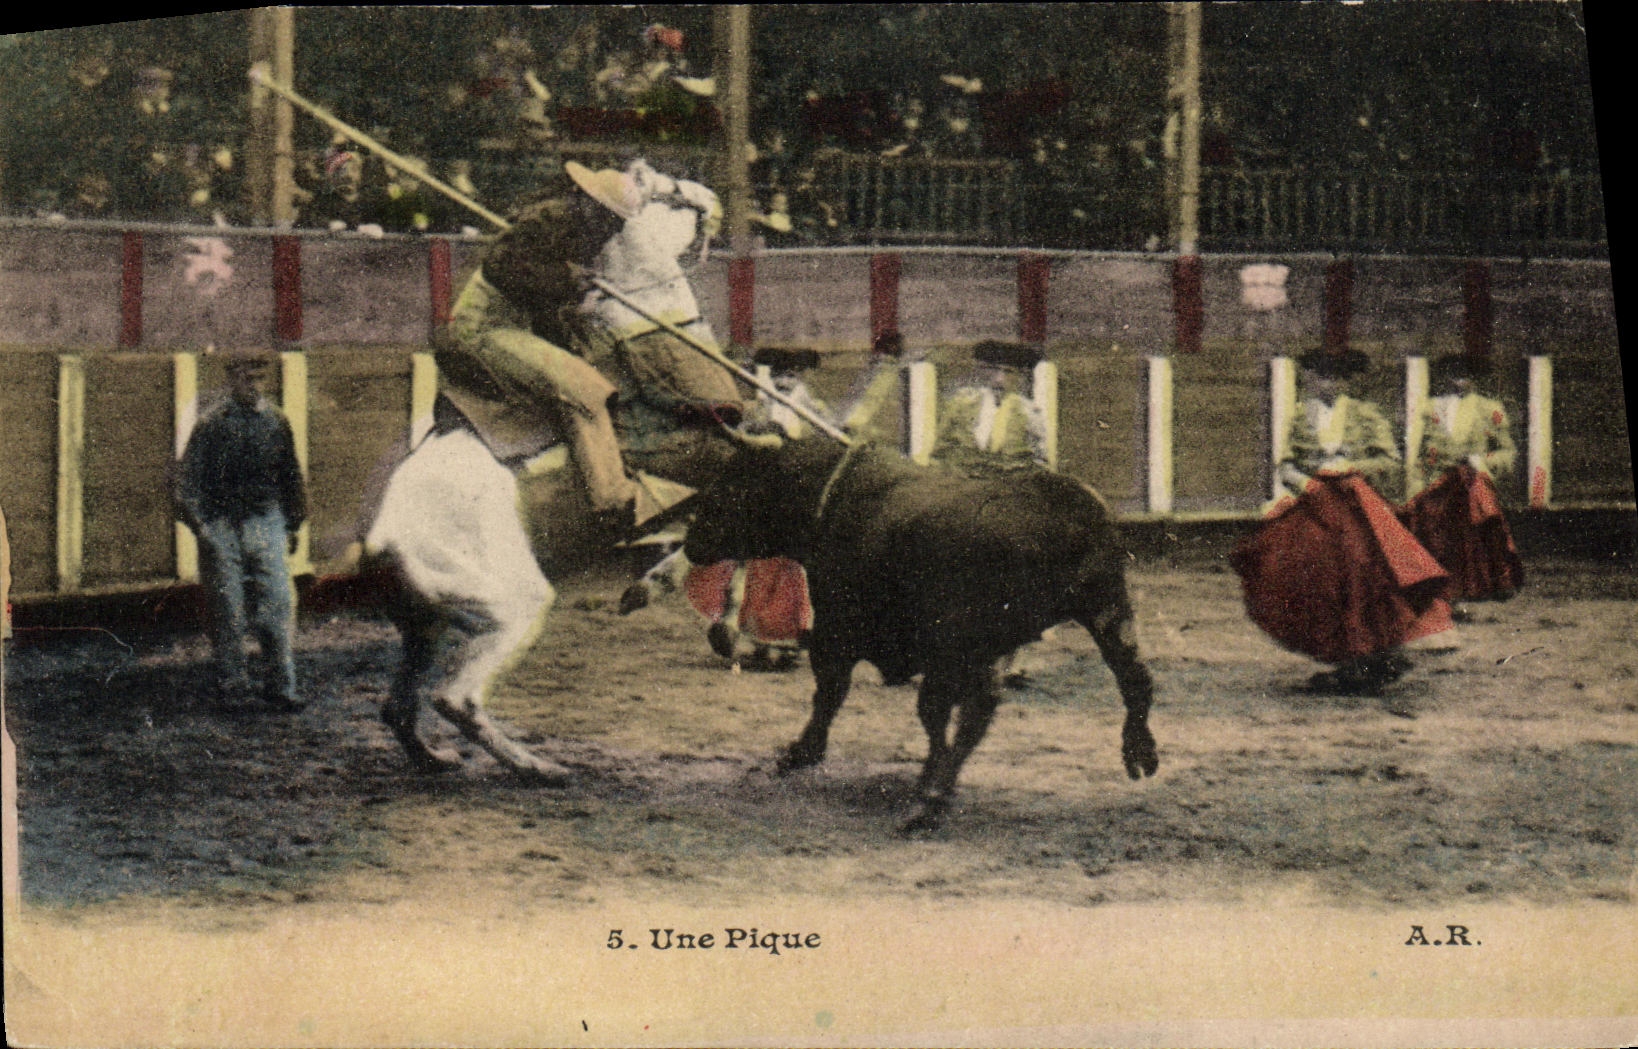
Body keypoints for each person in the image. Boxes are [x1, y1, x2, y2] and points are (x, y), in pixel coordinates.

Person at [434, 160, 648, 529]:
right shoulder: (545, 221)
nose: (611, 232)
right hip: (483, 328)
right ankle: (612, 497)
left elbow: (545, 309)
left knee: (589, 372)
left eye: (618, 225)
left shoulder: (576, 232)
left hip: (515, 327)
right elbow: (504, 270)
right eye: (608, 220)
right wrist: (568, 279)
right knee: (582, 388)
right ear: (586, 203)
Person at [1229, 348, 1454, 693]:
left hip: (1359, 506)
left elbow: (1390, 461)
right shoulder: (1301, 416)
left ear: (1348, 382)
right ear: (1309, 379)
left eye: (1335, 377)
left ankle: (1376, 652)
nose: (1327, 384)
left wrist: (1352, 470)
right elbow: (1287, 463)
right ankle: (1345, 657)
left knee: (1365, 572)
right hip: (1316, 503)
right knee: (1312, 572)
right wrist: (1305, 483)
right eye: (1320, 376)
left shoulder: (1366, 415)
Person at [177, 351, 307, 710]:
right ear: (231, 380)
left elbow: (291, 475)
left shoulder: (276, 421)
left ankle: (281, 687)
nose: (254, 386)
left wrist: (293, 523)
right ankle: (233, 687)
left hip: (267, 522)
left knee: (277, 606)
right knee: (227, 609)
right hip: (223, 525)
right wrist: (202, 526)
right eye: (247, 379)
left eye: (260, 379)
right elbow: (186, 482)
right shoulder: (212, 423)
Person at [685, 347, 825, 668]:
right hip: (760, 491)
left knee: (790, 568)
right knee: (754, 564)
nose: (786, 380)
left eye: (792, 373)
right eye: (780, 373)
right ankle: (748, 632)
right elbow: (746, 439)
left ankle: (790, 635)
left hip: (793, 491)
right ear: (771, 375)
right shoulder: (760, 405)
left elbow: (820, 439)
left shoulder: (809, 405)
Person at [1400, 353, 1524, 616]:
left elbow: (1508, 452)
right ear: (1445, 377)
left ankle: (1469, 591)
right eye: (1453, 375)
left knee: (1469, 541)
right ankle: (1439, 594)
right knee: (1435, 537)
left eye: (1465, 376)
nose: (1458, 381)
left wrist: (1481, 460)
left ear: (1474, 379)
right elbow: (1420, 453)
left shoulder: (1490, 409)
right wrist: (1416, 483)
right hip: (1438, 482)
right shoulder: (1429, 408)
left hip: (1468, 483)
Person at [933, 340, 1049, 477]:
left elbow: (1041, 461)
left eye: (1008, 372)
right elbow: (939, 451)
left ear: (1019, 376)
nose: (999, 379)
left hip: (1008, 487)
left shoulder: (1029, 412)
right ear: (984, 371)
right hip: (963, 484)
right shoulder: (961, 404)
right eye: (994, 370)